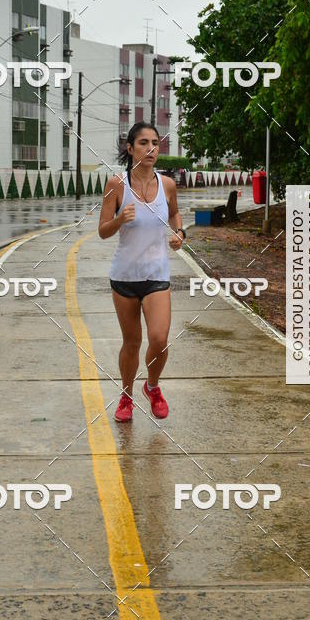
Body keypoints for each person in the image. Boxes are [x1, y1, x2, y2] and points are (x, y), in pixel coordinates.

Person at [98, 121, 186, 422]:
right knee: (132, 342)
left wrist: (179, 233)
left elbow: (174, 212)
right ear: (130, 148)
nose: (151, 149)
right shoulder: (116, 186)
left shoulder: (168, 185)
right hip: (124, 277)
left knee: (159, 339)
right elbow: (102, 231)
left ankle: (152, 386)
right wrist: (120, 219)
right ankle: (125, 397)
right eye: (143, 143)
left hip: (157, 275)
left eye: (155, 144)